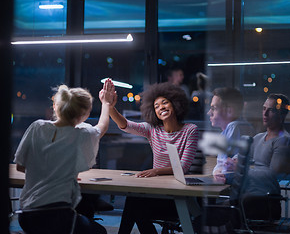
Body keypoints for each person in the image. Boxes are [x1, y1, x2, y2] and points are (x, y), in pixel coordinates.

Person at [14, 79, 115, 234]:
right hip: (58, 216)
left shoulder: (37, 127)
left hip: (26, 216)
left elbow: (21, 166)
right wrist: (106, 103)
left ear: (56, 107)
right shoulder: (83, 134)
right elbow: (102, 127)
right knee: (99, 231)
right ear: (85, 114)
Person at [106, 81, 199, 234]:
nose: (161, 107)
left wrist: (156, 171)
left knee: (134, 203)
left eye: (165, 103)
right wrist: (110, 107)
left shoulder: (190, 130)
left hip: (178, 195)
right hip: (156, 193)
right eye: (156, 106)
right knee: (133, 200)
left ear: (175, 104)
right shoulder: (152, 129)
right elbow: (126, 125)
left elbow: (183, 167)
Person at [243, 93, 290, 220]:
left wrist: (241, 168)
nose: (265, 114)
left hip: (263, 202)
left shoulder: (284, 141)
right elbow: (241, 160)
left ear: (282, 115)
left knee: (216, 212)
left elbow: (271, 174)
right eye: (264, 109)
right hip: (248, 194)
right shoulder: (257, 138)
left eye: (271, 110)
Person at [207, 87, 255, 183]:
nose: (209, 113)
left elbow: (225, 169)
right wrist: (216, 171)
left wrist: (217, 171)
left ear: (229, 111)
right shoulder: (232, 128)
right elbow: (221, 166)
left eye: (214, 108)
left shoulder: (235, 126)